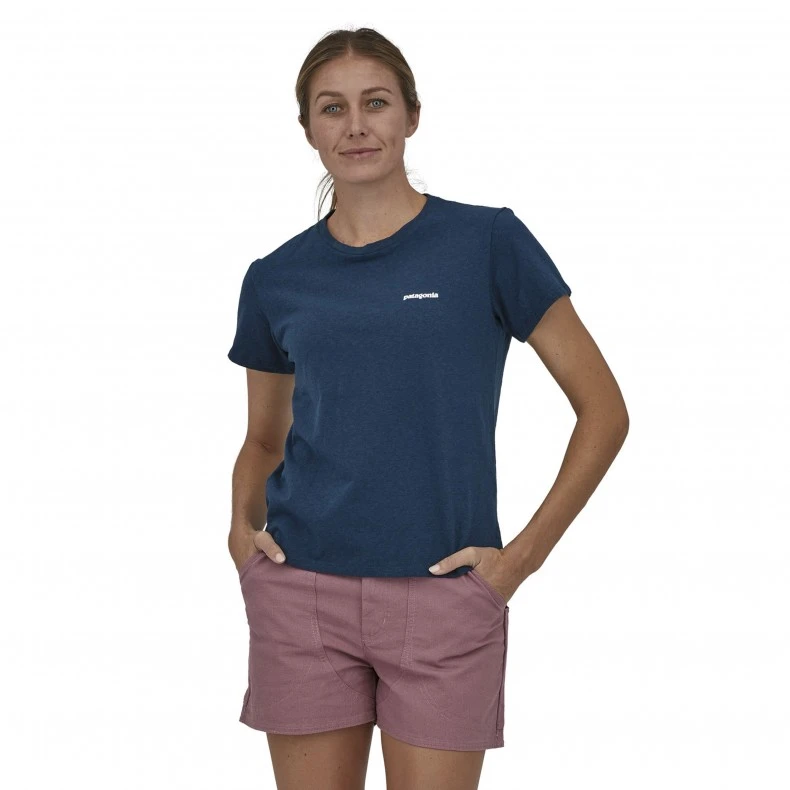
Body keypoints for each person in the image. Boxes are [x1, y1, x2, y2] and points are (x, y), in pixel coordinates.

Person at [227, 26, 629, 790]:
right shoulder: (275, 278)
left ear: (412, 114)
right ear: (307, 129)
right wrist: (239, 533)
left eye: (375, 103)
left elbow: (604, 411)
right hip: (300, 596)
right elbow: (264, 441)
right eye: (332, 108)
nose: (355, 125)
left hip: (446, 597)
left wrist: (517, 564)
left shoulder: (487, 242)